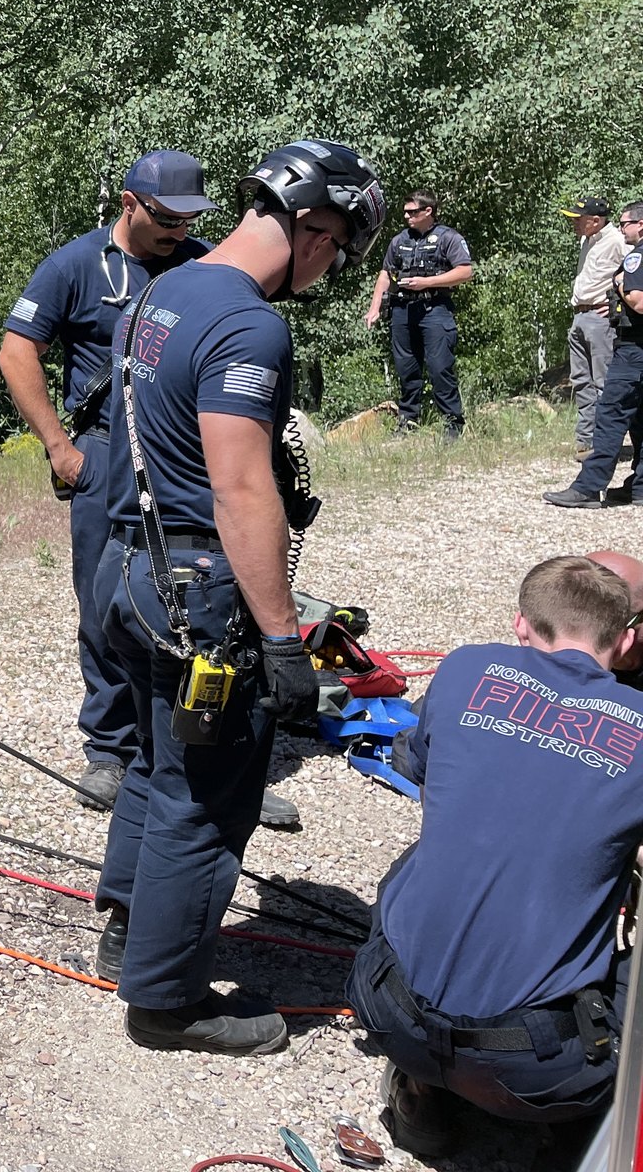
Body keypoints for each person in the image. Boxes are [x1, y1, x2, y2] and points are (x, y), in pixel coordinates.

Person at [89, 138, 385, 1055]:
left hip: (129, 570)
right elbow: (242, 489)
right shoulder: (252, 324)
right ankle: (167, 999)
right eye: (335, 245)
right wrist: (282, 639)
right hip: (198, 593)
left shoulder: (165, 289)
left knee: (152, 758)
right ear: (310, 224)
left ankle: (128, 935)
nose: (330, 265)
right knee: (209, 793)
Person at [348, 555, 643, 1157]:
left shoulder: (466, 668)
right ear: (629, 638)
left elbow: (428, 781)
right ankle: (588, 1141)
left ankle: (420, 1094)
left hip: (386, 1009)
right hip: (538, 1071)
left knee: (416, 864)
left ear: (521, 625)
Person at [0, 150, 216, 814]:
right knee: (105, 605)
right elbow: (16, 351)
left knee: (195, 598)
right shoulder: (76, 265)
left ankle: (196, 751)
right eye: (164, 217)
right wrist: (61, 449)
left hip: (186, 457)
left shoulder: (203, 264)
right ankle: (111, 750)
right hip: (102, 457)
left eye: (188, 219)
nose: (177, 230)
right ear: (129, 203)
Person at [546, 200, 643, 509]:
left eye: (626, 222)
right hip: (625, 338)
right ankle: (640, 487)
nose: (623, 227)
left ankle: (589, 486)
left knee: (611, 411)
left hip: (632, 345)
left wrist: (617, 287)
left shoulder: (632, 254)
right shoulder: (590, 243)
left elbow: (638, 301)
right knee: (639, 417)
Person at [362, 189, 473, 438]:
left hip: (434, 309)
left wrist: (428, 282)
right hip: (403, 310)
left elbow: (465, 272)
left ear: (428, 211)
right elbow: (385, 274)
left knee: (439, 367)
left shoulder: (448, 238)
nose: (406, 216)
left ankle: (453, 425)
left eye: (412, 212)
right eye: (405, 212)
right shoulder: (399, 240)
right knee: (406, 369)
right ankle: (408, 422)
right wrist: (374, 307)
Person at [564, 197, 629, 462]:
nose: (573, 224)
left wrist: (621, 304)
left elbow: (636, 267)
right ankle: (586, 441)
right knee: (581, 382)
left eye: (578, 219)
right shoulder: (587, 240)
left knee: (604, 384)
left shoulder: (617, 240)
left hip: (601, 319)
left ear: (595, 221)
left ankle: (605, 444)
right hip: (580, 315)